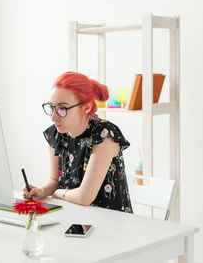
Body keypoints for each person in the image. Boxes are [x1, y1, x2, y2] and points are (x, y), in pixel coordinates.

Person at [23, 71, 132, 213]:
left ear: (86, 107)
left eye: (62, 109)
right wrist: (42, 191)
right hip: (72, 216)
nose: (53, 117)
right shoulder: (56, 134)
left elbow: (84, 197)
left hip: (110, 223)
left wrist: (57, 194)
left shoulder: (105, 135)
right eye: (51, 108)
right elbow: (54, 180)